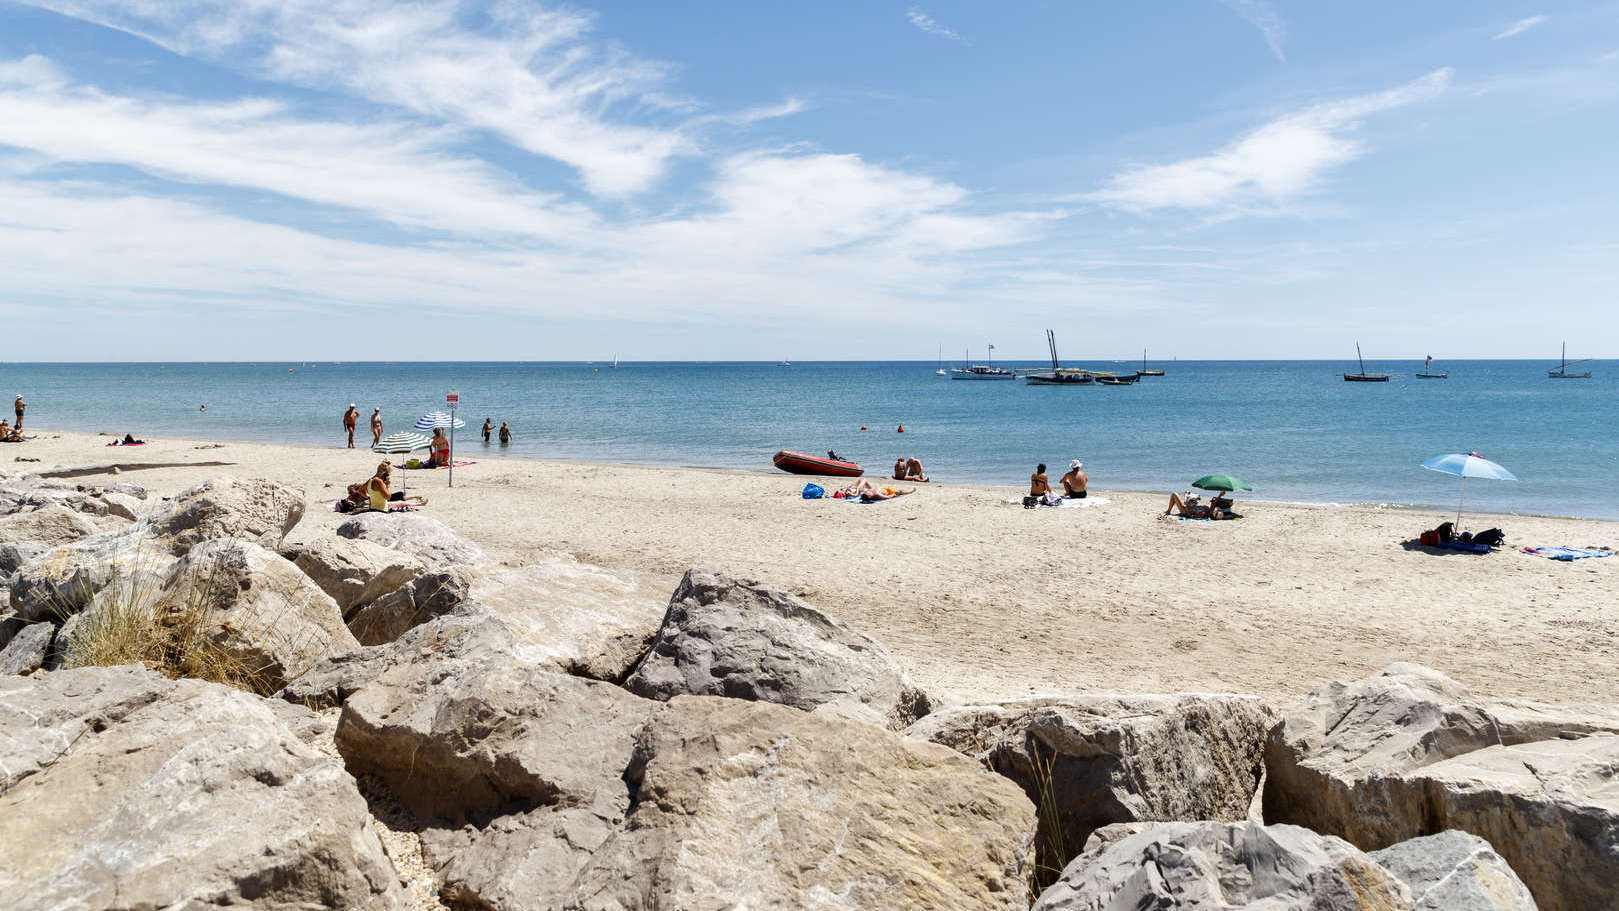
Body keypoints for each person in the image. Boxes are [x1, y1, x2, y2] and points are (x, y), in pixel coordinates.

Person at [1163, 491, 1230, 520]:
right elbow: (1214, 503)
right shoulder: (1210, 510)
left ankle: (1169, 511)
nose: (1216, 510)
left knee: (1174, 494)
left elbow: (1190, 516)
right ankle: (1168, 510)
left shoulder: (1203, 514)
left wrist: (1188, 504)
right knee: (1187, 492)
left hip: (1185, 510)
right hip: (1191, 504)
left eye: (1216, 511)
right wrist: (1220, 495)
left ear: (1213, 515)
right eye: (1217, 510)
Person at [839, 478, 913, 502]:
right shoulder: (877, 495)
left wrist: (850, 491)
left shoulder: (867, 492)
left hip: (875, 488)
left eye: (867, 493)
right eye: (869, 494)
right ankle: (911, 491)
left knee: (862, 480)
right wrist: (893, 495)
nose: (868, 493)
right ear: (871, 497)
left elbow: (863, 493)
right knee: (899, 491)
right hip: (887, 490)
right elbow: (888, 497)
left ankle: (848, 488)